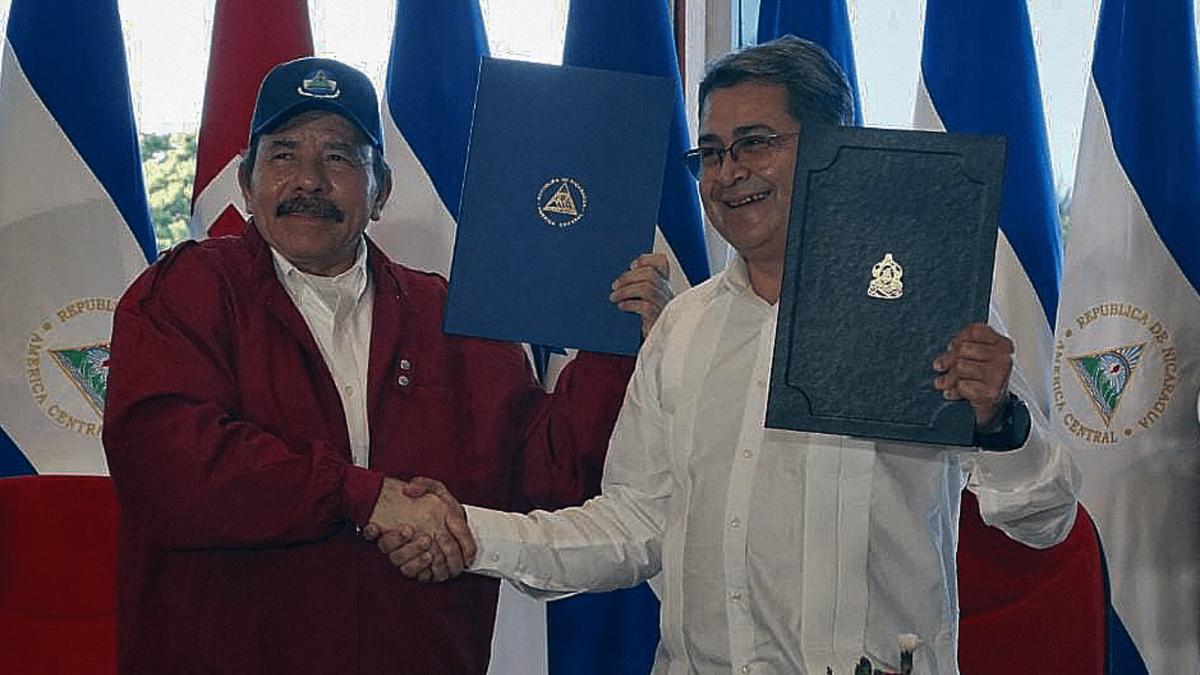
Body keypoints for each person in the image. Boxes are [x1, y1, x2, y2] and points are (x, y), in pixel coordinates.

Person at [379, 37, 1080, 674]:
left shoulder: (929, 307)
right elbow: (633, 524)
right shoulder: (683, 328)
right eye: (711, 152)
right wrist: (472, 532)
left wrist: (1001, 421)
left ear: (835, 144)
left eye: (754, 143)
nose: (728, 172)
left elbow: (1043, 518)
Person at [101, 57, 670, 674]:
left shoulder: (449, 313)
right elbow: (171, 465)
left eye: (341, 158)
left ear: (382, 191)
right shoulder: (183, 291)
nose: (310, 181)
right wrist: (364, 498)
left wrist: (612, 339)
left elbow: (548, 474)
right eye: (284, 155)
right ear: (246, 182)